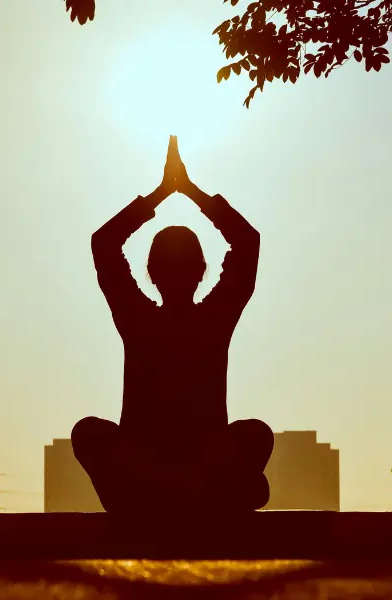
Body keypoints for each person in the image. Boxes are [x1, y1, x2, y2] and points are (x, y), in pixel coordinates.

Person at [72, 136, 274, 515]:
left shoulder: (140, 317)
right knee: (88, 432)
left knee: (256, 434)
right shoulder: (208, 318)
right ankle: (195, 493)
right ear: (203, 272)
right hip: (182, 469)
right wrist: (189, 193)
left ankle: (175, 492)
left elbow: (105, 243)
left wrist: (163, 194)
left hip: (159, 471)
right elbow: (247, 242)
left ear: (149, 273)